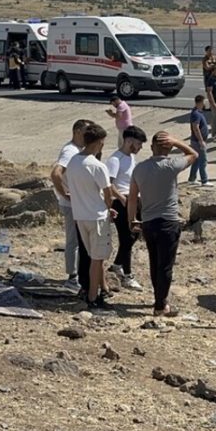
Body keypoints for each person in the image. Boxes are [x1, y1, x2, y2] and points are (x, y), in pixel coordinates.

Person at [129, 132, 197, 316]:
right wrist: (177, 141)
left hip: (149, 222)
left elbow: (133, 198)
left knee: (154, 261)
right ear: (170, 149)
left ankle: (159, 299)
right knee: (165, 265)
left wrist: (132, 220)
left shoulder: (139, 169)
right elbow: (193, 154)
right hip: (168, 221)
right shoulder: (171, 165)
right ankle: (160, 305)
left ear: (152, 147)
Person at [66, 122, 117, 309]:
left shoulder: (73, 162)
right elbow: (108, 194)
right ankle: (93, 296)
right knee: (97, 259)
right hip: (97, 217)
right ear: (98, 143)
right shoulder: (97, 166)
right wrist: (108, 207)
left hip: (80, 216)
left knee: (94, 256)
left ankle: (100, 289)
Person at [51, 120, 92, 290]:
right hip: (71, 205)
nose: (88, 136)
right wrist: (65, 194)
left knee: (81, 240)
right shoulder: (70, 151)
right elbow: (55, 173)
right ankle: (72, 277)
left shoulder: (79, 150)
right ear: (76, 132)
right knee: (73, 241)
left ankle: (78, 275)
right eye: (85, 133)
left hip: (77, 203)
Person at [105, 125, 146, 292]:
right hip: (120, 202)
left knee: (134, 234)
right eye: (138, 144)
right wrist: (122, 199)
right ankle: (127, 275)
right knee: (126, 237)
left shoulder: (131, 158)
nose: (140, 148)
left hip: (133, 199)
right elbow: (109, 183)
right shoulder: (115, 159)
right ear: (129, 141)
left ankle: (117, 265)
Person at [187, 95, 213, 187]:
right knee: (203, 160)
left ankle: (192, 178)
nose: (205, 104)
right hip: (198, 141)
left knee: (197, 160)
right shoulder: (196, 114)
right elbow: (196, 127)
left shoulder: (198, 112)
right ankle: (204, 180)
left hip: (197, 141)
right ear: (200, 102)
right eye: (204, 102)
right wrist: (201, 140)